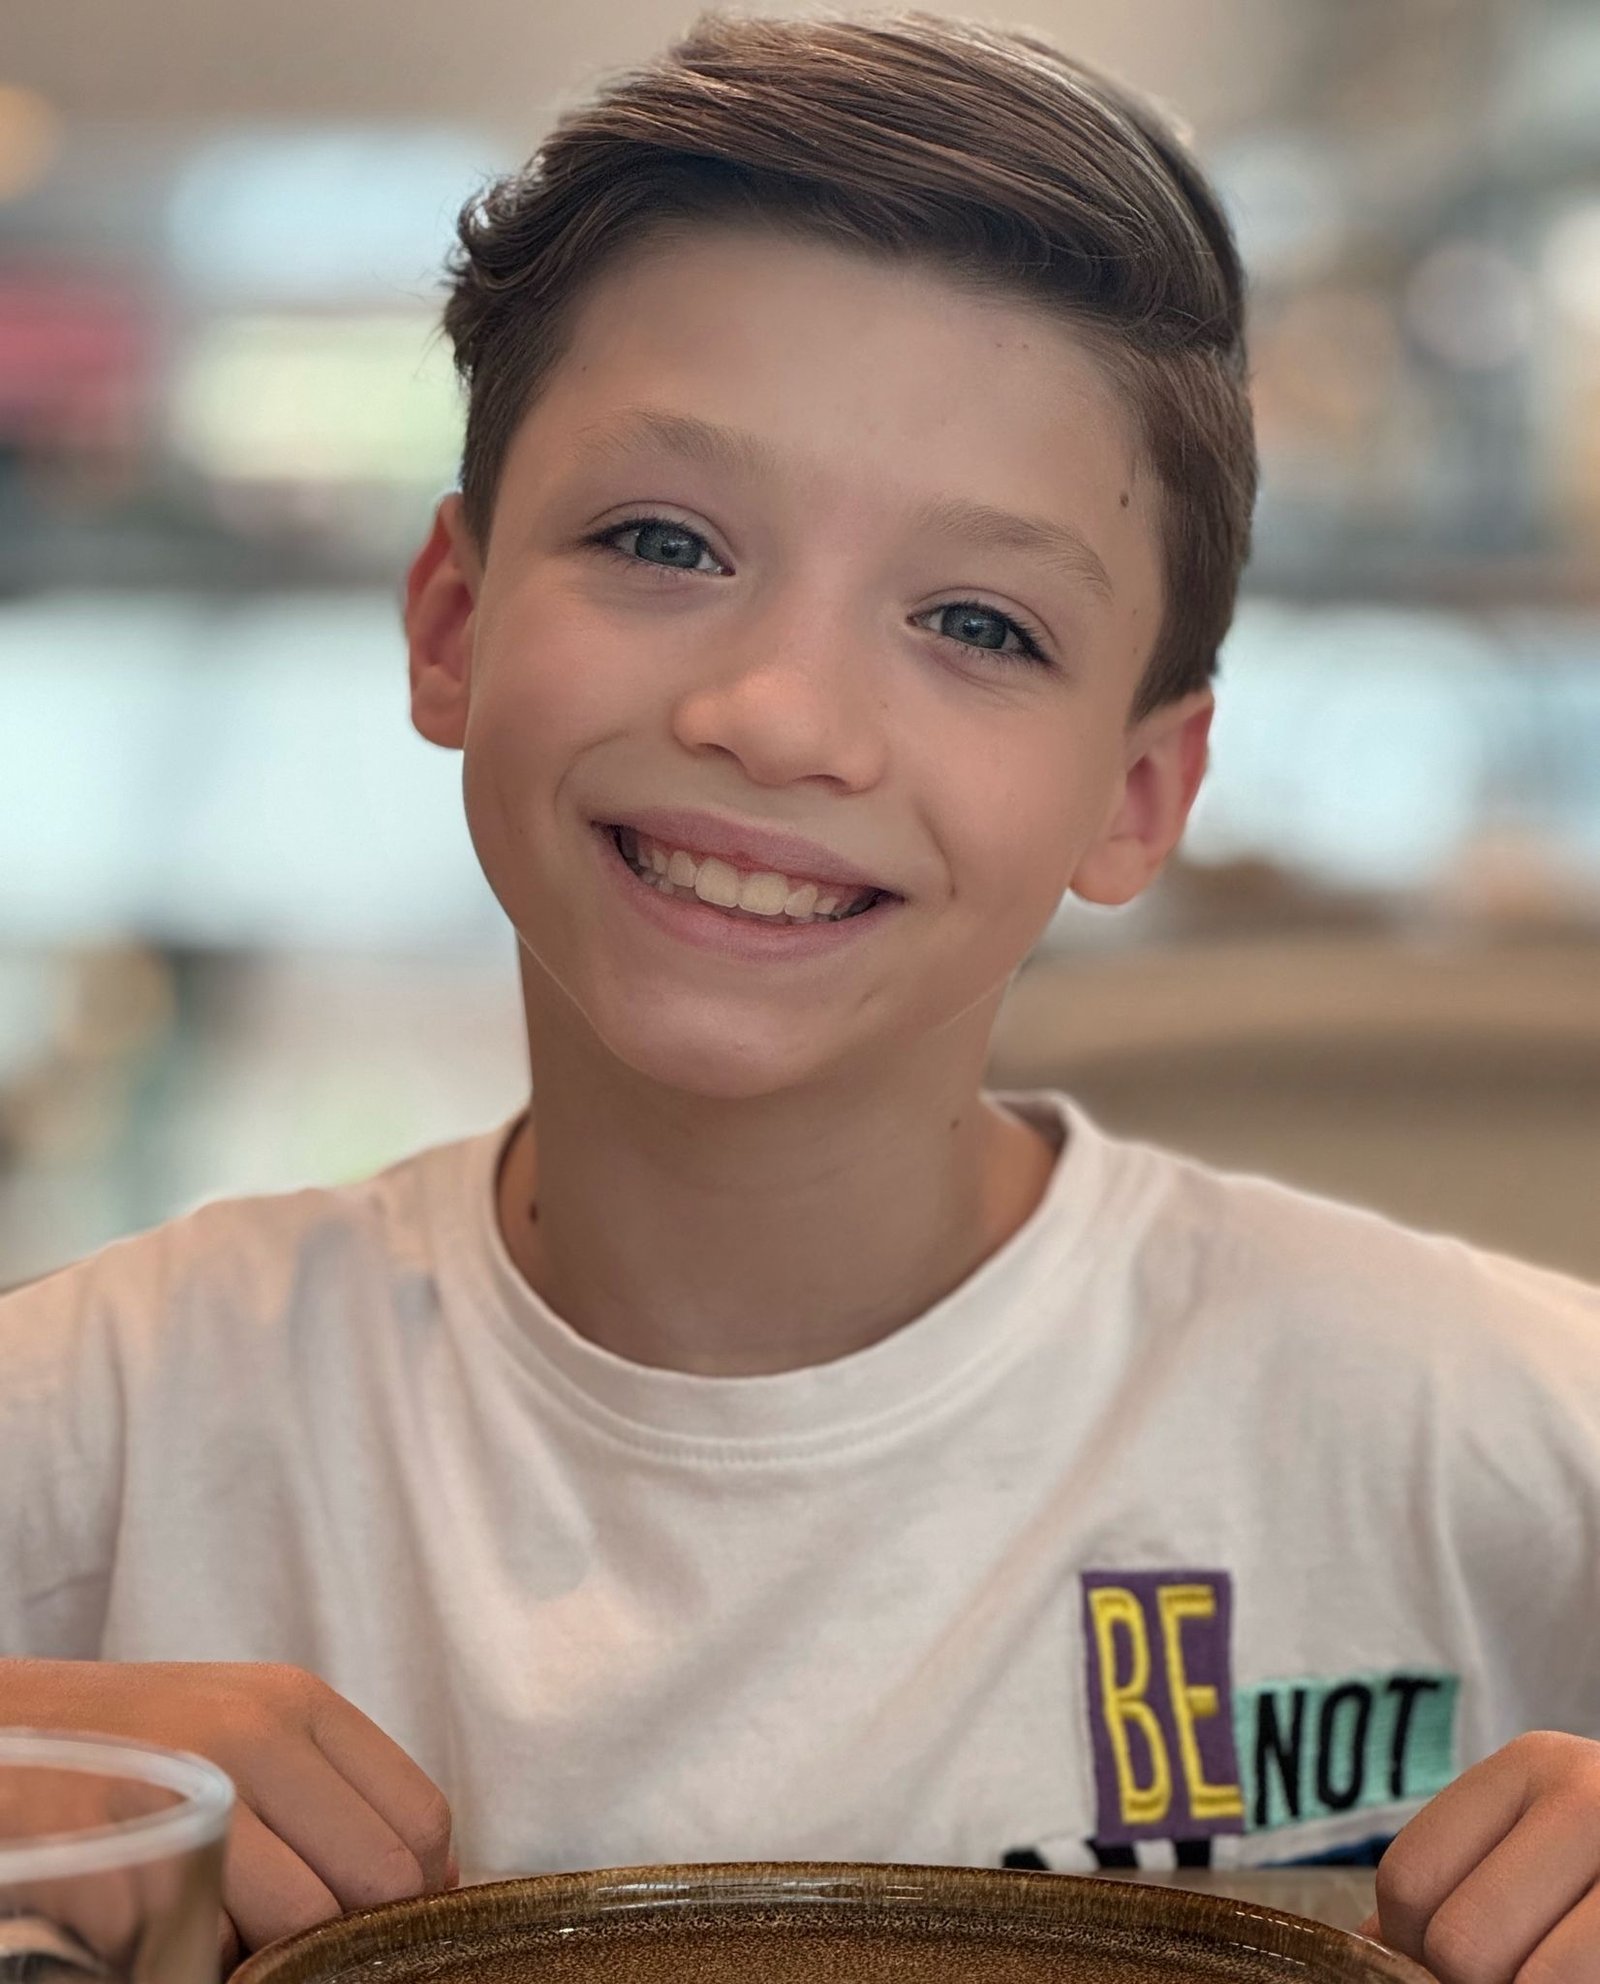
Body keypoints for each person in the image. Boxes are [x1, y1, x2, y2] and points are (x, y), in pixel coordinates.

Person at [3, 11, 1597, 1982]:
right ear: (451, 619)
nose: (776, 714)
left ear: (1137, 792)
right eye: (663, 541)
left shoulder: (1471, 1432)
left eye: (977, 622)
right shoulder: (101, 1435)